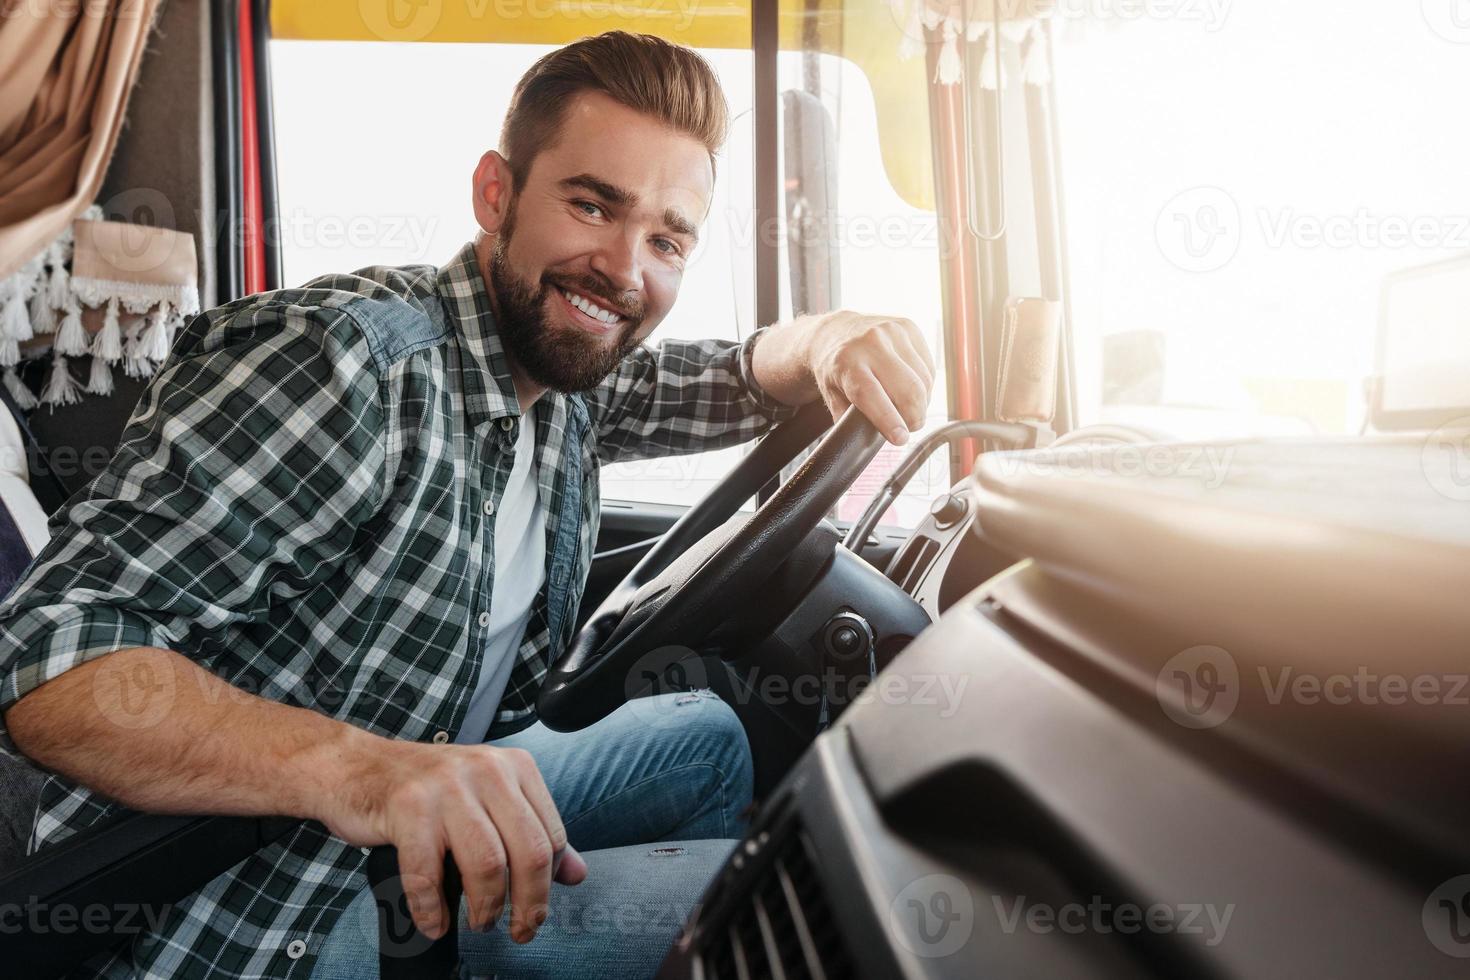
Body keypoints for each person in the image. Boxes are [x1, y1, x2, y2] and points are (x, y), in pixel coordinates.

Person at [0, 31, 933, 979]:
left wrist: (833, 337)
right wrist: (368, 772)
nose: (622, 268)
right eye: (590, 204)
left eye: (665, 239)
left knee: (709, 741)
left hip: (403, 809)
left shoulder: (562, 379)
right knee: (793, 913)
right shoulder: (341, 365)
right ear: (496, 194)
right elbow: (46, 654)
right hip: (251, 906)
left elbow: (730, 378)